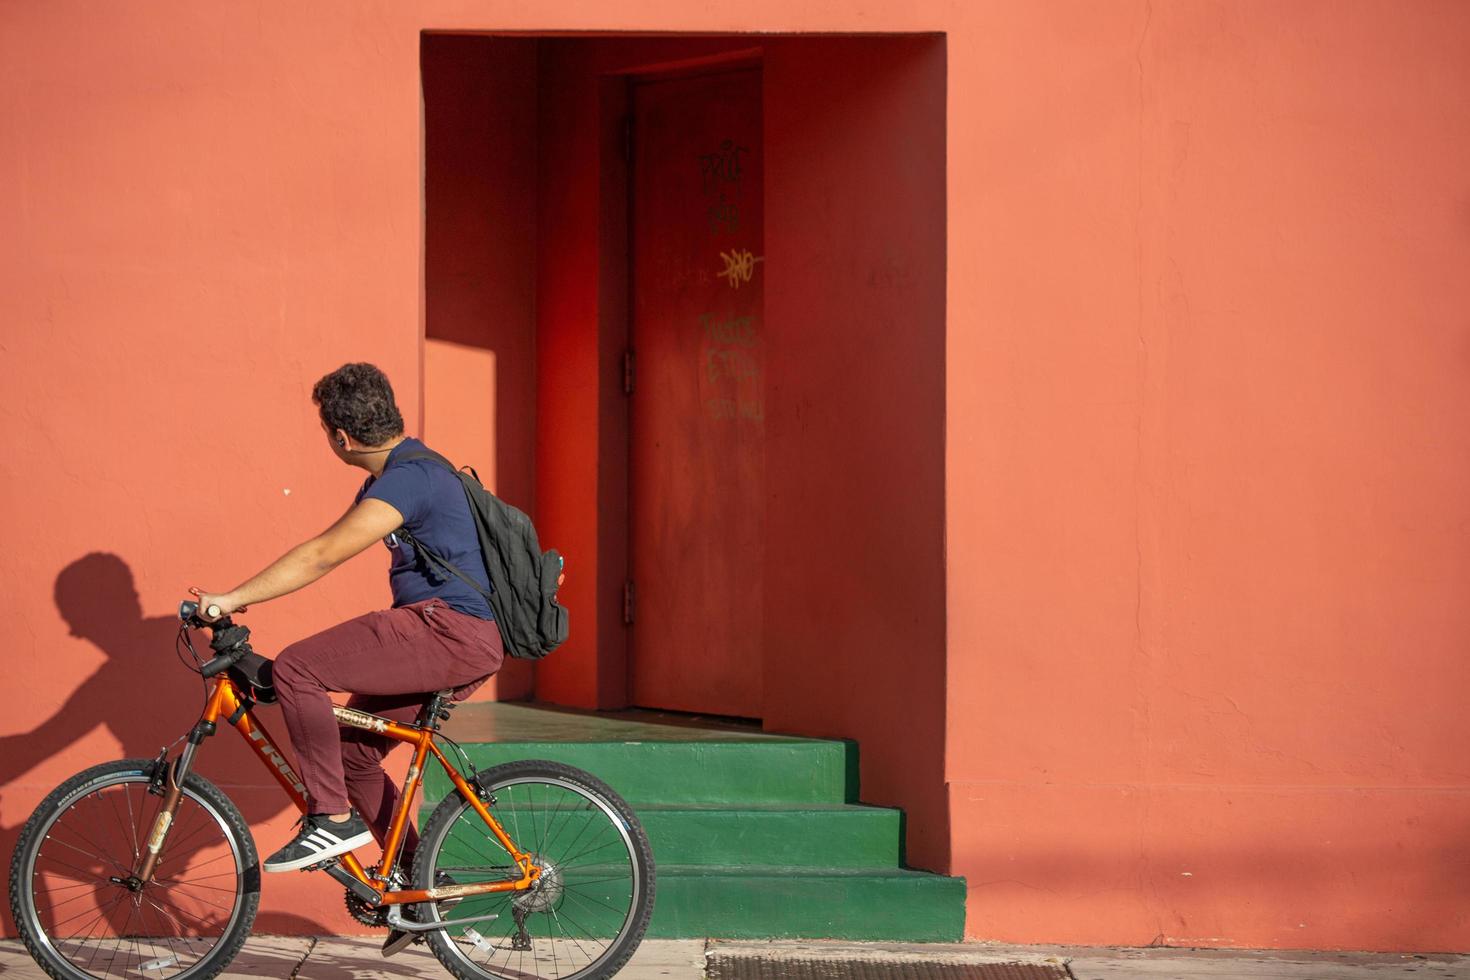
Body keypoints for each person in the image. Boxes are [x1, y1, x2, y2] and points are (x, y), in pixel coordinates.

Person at [191, 363, 526, 904]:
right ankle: (422, 883)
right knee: (353, 758)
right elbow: (326, 547)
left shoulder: (411, 478)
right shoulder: (402, 475)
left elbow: (323, 554)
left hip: (448, 630)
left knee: (300, 667)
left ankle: (331, 818)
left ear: (340, 437)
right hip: (460, 638)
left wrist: (230, 599)